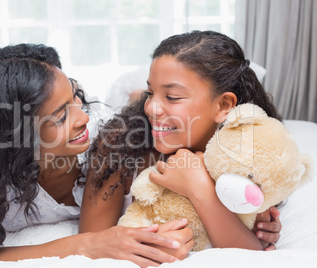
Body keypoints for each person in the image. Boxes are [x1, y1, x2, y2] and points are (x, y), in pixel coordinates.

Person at [0, 44, 194, 267]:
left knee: (133, 106)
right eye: (62, 115)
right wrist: (86, 245)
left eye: (75, 98)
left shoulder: (107, 142)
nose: (83, 117)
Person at [79, 30, 282, 251]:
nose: (151, 108)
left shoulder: (252, 155)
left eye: (172, 97)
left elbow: (250, 253)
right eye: (149, 93)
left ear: (223, 106)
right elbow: (91, 243)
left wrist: (199, 188)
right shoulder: (119, 146)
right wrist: (151, 241)